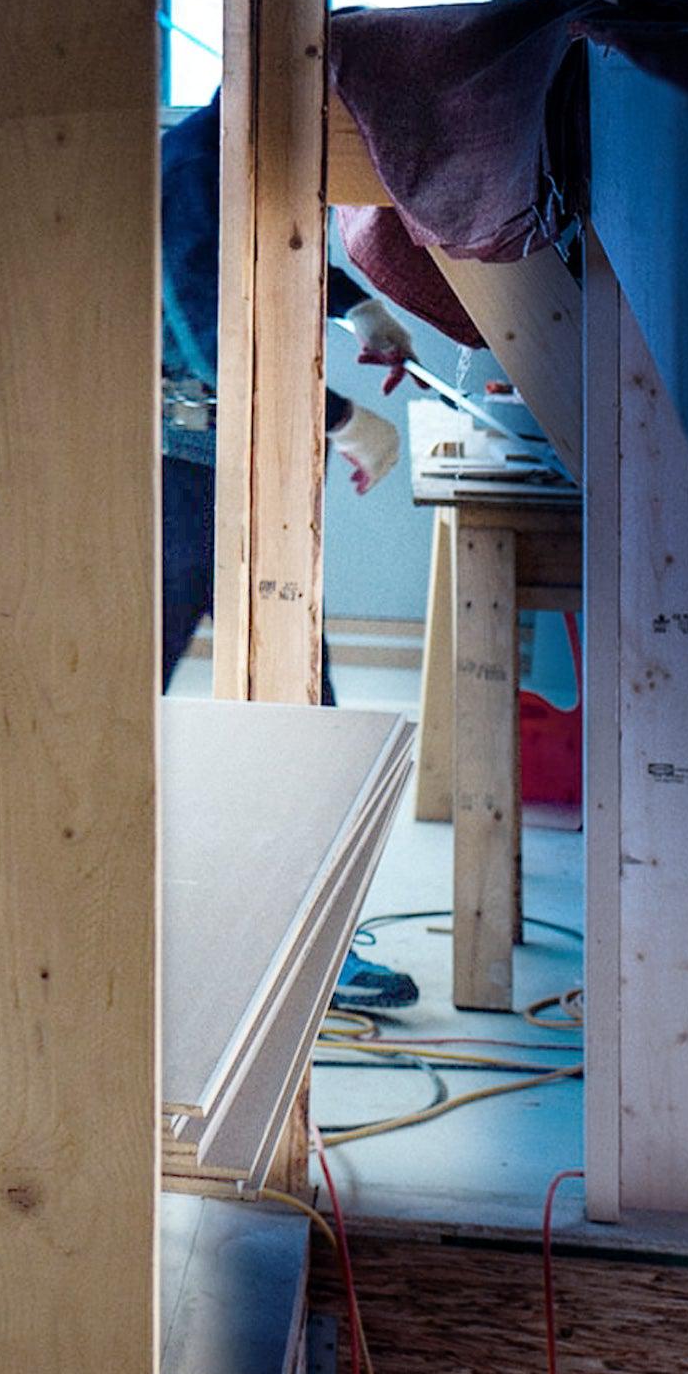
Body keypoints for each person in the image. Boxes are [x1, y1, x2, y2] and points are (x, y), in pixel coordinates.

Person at [159, 94, 420, 1007]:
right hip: (171, 474)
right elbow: (215, 350)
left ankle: (310, 943)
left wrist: (354, 306)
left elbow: (269, 248)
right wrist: (350, 425)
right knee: (120, 709)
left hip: (229, 467)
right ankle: (79, 929)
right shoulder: (194, 168)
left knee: (299, 703)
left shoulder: (244, 151)